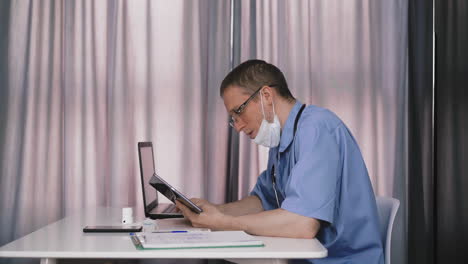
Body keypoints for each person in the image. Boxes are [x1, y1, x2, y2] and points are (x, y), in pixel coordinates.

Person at [175, 59, 384, 264]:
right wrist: (214, 211)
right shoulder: (281, 140)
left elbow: (303, 224)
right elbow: (263, 201)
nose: (237, 126)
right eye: (233, 120)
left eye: (238, 112)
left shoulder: (317, 130)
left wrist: (225, 223)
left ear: (266, 95)